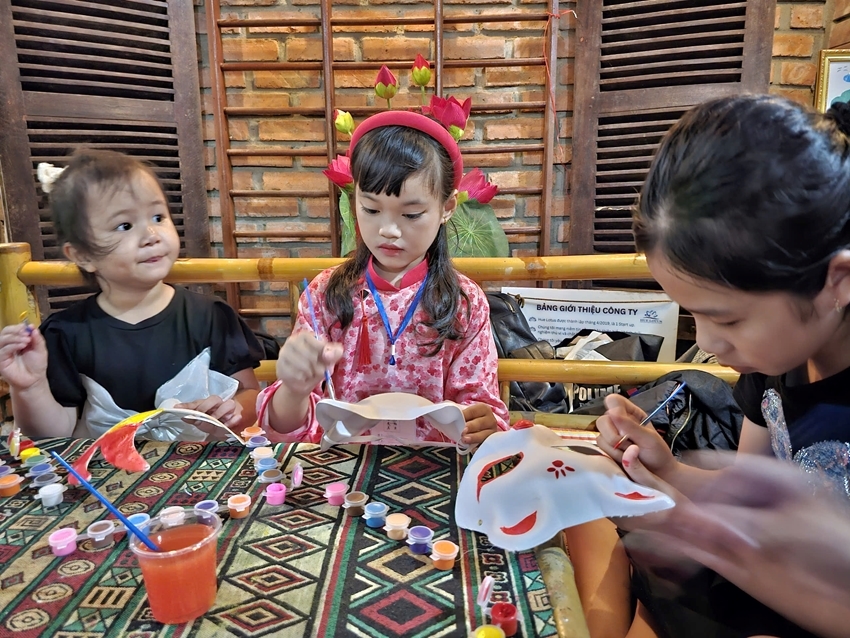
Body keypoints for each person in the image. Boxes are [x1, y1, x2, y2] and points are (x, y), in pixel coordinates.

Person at [578, 95, 850, 638]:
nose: (707, 343)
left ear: (837, 282)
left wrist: (691, 527)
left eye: (726, 319)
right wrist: (668, 470)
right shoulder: (777, 361)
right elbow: (753, 489)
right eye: (694, 315)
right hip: (747, 585)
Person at [258, 111, 509, 445]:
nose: (388, 230)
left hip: (436, 467)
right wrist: (293, 388)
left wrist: (482, 424)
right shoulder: (325, 295)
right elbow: (286, 428)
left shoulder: (465, 302)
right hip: (343, 469)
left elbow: (481, 411)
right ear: (355, 202)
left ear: (447, 208)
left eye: (411, 214)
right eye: (371, 210)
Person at [0, 150, 263, 439]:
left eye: (158, 216)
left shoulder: (212, 315)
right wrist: (29, 387)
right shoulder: (66, 333)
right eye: (125, 225)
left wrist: (234, 410)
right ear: (83, 254)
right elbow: (53, 434)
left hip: (200, 474)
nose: (151, 234)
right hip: (102, 479)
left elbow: (250, 393)